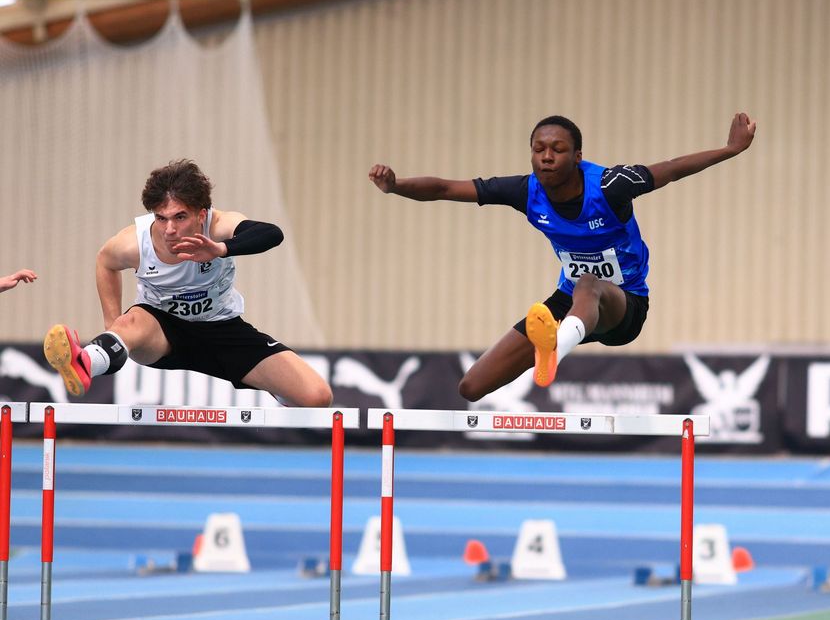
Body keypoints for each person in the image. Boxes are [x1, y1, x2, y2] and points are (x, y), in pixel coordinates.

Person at [369, 112, 756, 401]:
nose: (547, 157)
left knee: (589, 283)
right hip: (570, 304)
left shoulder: (611, 185)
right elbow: (444, 189)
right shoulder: (525, 191)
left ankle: (553, 347)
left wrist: (730, 149)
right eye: (539, 149)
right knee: (472, 386)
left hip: (623, 306)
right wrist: (396, 186)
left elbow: (671, 170)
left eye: (558, 149)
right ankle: (553, 340)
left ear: (577, 155)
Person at [43, 159, 332, 407]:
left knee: (318, 397)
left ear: (201, 214)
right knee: (130, 322)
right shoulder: (134, 243)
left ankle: (276, 388)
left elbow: (272, 234)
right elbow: (105, 262)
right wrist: (113, 326)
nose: (169, 229)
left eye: (180, 217)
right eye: (161, 218)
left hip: (222, 329)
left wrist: (221, 249)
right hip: (161, 329)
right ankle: (87, 361)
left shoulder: (219, 225)